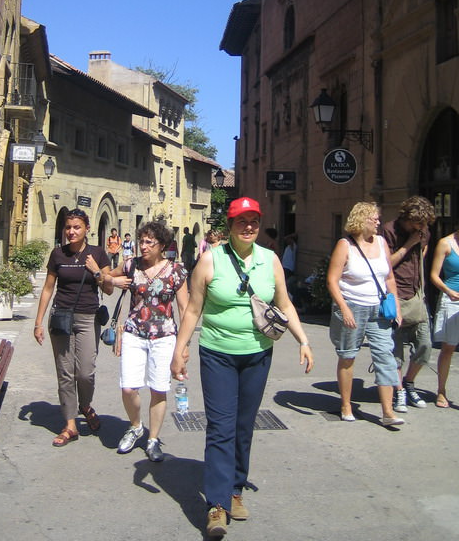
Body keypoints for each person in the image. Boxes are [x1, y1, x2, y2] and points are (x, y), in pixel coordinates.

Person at [171, 196, 313, 538]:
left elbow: (284, 303)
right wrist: (180, 348)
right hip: (217, 353)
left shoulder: (271, 260)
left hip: (258, 354)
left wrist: (303, 340)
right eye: (241, 221)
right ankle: (216, 505)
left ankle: (235, 489)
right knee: (221, 426)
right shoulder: (209, 260)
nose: (248, 226)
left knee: (244, 424)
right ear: (229, 225)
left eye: (253, 221)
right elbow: (192, 310)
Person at [34, 208, 113, 447]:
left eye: (76, 227)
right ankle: (70, 424)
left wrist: (96, 271)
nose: (71, 232)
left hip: (88, 318)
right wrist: (38, 322)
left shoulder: (98, 253)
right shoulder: (58, 255)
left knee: (85, 371)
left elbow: (108, 288)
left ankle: (85, 404)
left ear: (87, 229)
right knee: (65, 373)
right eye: (68, 227)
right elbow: (48, 288)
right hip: (61, 317)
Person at [112, 221, 188, 463]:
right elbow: (105, 277)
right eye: (141, 241)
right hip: (134, 332)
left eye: (148, 242)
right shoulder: (130, 265)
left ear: (162, 245)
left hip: (164, 337)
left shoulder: (175, 271)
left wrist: (183, 346)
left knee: (158, 388)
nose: (143, 247)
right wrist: (112, 281)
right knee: (128, 387)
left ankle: (153, 439)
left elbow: (185, 309)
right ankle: (135, 427)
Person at [327, 202, 403, 425]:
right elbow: (332, 280)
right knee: (348, 355)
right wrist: (343, 307)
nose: (379, 222)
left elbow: (389, 278)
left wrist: (396, 306)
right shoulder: (345, 245)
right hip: (353, 306)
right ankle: (346, 405)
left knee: (385, 356)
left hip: (378, 309)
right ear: (361, 219)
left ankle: (388, 412)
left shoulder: (381, 242)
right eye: (374, 218)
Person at [381, 196, 436, 412]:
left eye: (425, 224)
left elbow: (423, 251)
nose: (423, 228)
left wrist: (420, 245)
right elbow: (385, 265)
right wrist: (408, 244)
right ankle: (399, 391)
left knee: (425, 345)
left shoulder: (423, 232)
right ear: (408, 218)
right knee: (395, 351)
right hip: (394, 296)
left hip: (415, 296)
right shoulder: (389, 231)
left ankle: (409, 382)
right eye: (419, 223)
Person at [430, 227, 459, 408]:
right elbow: (434, 275)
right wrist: (449, 291)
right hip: (452, 299)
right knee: (449, 348)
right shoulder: (445, 243)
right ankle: (441, 391)